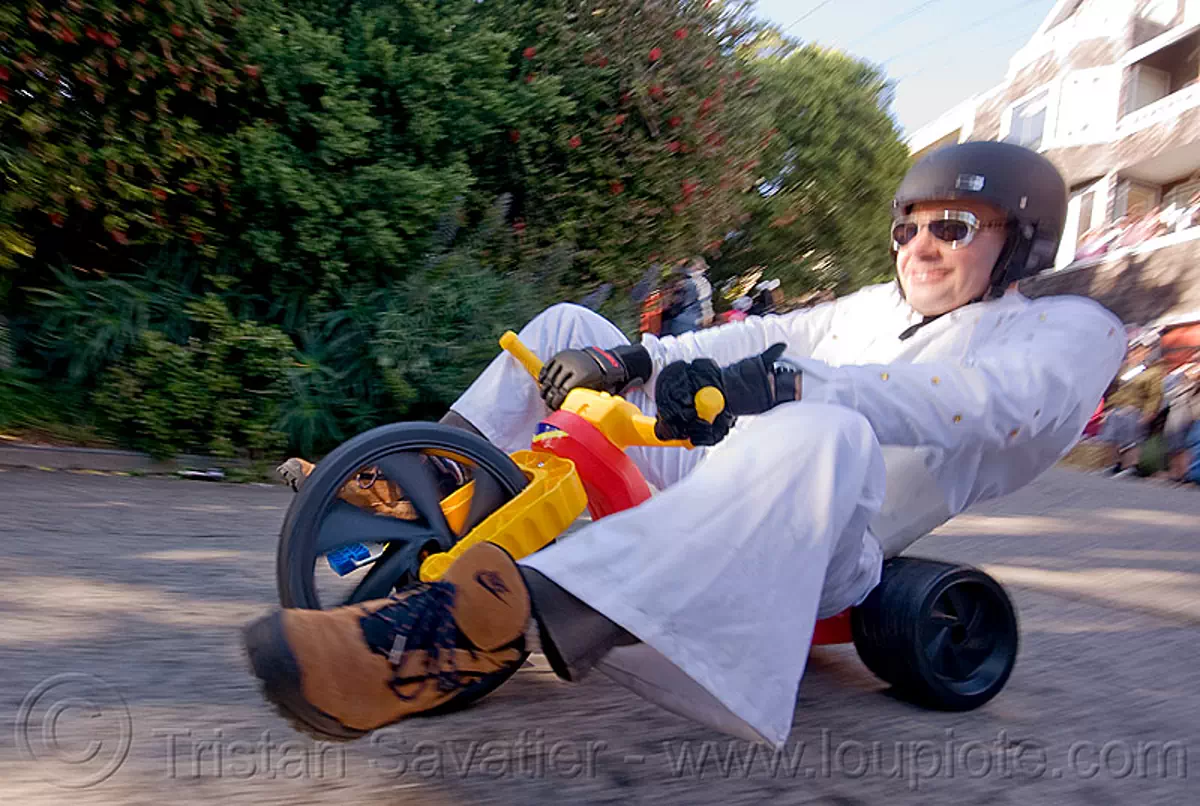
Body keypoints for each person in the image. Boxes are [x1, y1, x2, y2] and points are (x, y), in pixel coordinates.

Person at [243, 141, 1124, 748]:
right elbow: (741, 344)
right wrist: (625, 356)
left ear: (1022, 240)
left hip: (828, 547)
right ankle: (431, 483)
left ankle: (473, 629)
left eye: (955, 227)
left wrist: (797, 384)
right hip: (718, 486)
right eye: (911, 226)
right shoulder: (868, 312)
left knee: (822, 428)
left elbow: (995, 405)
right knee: (562, 326)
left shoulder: (1067, 330)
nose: (923, 245)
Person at [1098, 332, 1166, 476]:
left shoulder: (1152, 373)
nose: (1136, 354)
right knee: (1111, 438)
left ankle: (1129, 466)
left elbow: (1155, 395)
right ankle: (1113, 465)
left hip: (1135, 409)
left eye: (1141, 351)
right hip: (1116, 407)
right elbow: (1113, 388)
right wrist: (1107, 407)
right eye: (1134, 351)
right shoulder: (1124, 369)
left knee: (1132, 440)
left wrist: (1149, 413)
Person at [660, 258, 715, 335]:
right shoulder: (686, 281)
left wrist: (707, 314)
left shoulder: (699, 282)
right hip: (678, 322)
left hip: (689, 322)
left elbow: (705, 300)